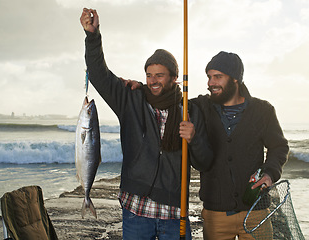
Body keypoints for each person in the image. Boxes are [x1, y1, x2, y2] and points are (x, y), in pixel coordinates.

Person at [80, 8, 213, 240]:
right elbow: (99, 75)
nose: (153, 81)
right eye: (149, 75)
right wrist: (93, 35)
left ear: (173, 78)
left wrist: (194, 139)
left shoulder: (189, 112)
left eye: (159, 75)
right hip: (136, 211)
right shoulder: (131, 100)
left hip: (174, 213)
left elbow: (204, 163)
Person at [190, 51, 289, 239]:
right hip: (215, 213)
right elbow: (168, 99)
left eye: (218, 77)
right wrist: (142, 88)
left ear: (235, 79)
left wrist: (269, 173)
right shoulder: (200, 107)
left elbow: (279, 147)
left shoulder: (263, 110)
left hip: (256, 211)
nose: (211, 82)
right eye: (209, 77)